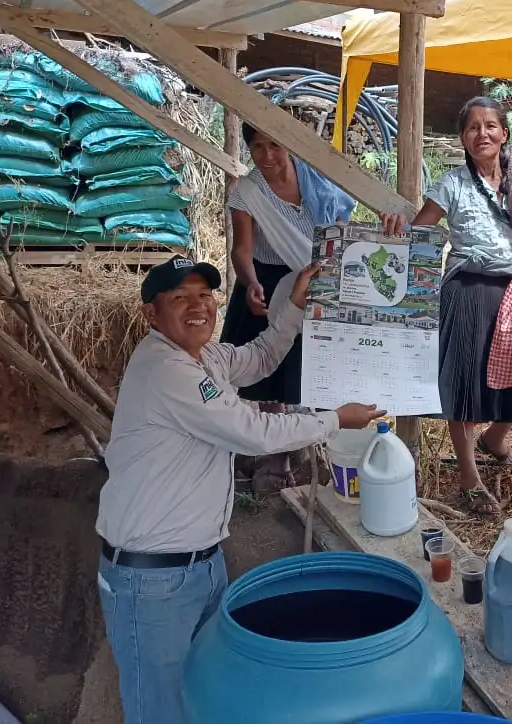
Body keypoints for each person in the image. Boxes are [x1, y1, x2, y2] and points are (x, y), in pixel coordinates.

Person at [96, 254, 384, 724]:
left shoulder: (205, 357)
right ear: (151, 313)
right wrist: (334, 420)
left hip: (201, 565)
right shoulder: (166, 370)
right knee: (160, 710)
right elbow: (254, 432)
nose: (199, 307)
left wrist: (291, 305)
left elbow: (263, 355)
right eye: (180, 298)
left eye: (205, 295)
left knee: (206, 694)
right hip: (151, 582)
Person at [381, 96, 512, 515]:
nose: (482, 134)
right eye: (473, 127)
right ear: (462, 138)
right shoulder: (452, 185)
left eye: (491, 125)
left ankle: (495, 437)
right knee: (465, 380)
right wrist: (398, 229)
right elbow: (420, 231)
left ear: (504, 133)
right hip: (467, 292)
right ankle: (468, 475)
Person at [221, 122, 355, 405]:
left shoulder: (314, 175)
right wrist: (250, 282)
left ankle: (305, 442)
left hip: (314, 281)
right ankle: (266, 442)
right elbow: (241, 250)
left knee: (305, 376)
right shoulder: (247, 193)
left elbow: (341, 221)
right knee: (262, 383)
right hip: (267, 284)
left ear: (287, 145)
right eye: (257, 147)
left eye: (274, 146)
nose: (267, 156)